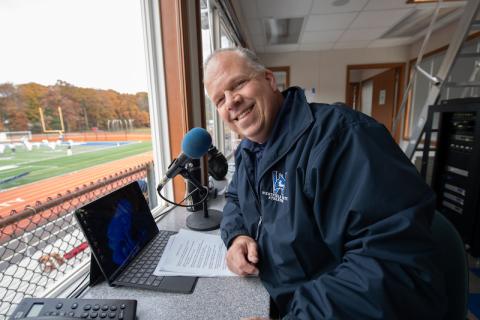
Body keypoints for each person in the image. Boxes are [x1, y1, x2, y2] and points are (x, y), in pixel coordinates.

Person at [203, 47, 447, 320]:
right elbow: (236, 198)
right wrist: (237, 236)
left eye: (238, 83)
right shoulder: (250, 150)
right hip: (282, 300)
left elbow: (391, 265)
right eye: (219, 100)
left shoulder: (343, 138)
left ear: (270, 80)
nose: (231, 102)